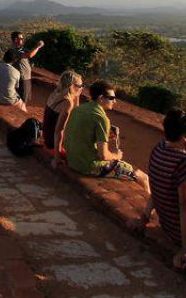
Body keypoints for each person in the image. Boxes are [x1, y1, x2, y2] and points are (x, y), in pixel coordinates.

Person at [61, 80, 152, 217]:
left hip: (72, 160)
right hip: (88, 166)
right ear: (101, 98)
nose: (114, 101)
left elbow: (82, 135)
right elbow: (103, 155)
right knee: (143, 177)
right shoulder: (101, 118)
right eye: (111, 98)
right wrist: (117, 156)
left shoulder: (79, 109)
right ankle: (149, 212)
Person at [148, 109, 186, 270]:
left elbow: (154, 187)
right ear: (185, 137)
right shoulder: (185, 161)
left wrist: (145, 217)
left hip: (169, 227)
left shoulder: (159, 148)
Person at [46, 70, 84, 160]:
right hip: (53, 143)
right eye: (79, 86)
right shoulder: (67, 103)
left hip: (47, 136)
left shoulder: (56, 93)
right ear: (71, 86)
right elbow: (59, 131)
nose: (81, 88)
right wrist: (57, 157)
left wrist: (77, 95)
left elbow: (75, 114)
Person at [10, 31, 45, 105]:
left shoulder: (20, 49)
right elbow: (29, 55)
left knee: (25, 98)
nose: (23, 39)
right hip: (22, 78)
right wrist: (38, 46)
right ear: (16, 39)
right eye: (21, 38)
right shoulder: (14, 50)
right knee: (22, 99)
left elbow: (29, 53)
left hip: (26, 77)